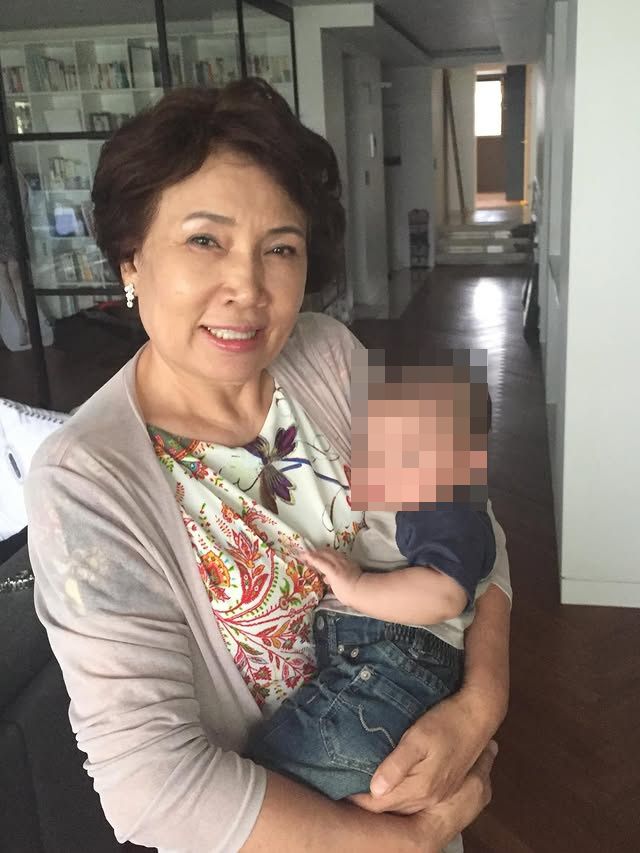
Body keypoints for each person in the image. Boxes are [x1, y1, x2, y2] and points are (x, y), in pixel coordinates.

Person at [25, 80, 510, 853]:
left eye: (280, 247)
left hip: (428, 800)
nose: (248, 287)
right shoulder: (82, 479)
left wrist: (482, 704)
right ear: (130, 258)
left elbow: (476, 526)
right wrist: (405, 842)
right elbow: (150, 786)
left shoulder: (330, 350)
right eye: (204, 240)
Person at [247, 355, 504, 801]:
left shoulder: (441, 502)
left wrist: (357, 587)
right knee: (276, 773)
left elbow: (445, 594)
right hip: (383, 664)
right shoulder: (438, 501)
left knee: (272, 776)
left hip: (395, 661)